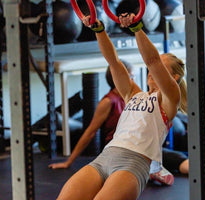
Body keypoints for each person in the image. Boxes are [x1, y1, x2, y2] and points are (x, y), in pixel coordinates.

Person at [56, 12, 185, 200]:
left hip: (133, 164)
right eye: (150, 70)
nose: (151, 71)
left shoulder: (169, 99)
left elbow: (152, 60)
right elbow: (114, 62)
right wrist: (98, 29)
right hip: (105, 157)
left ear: (173, 78)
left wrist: (136, 28)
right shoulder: (133, 94)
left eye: (160, 69)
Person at [48, 62, 134, 169]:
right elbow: (90, 132)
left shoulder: (130, 98)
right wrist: (68, 162)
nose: (133, 80)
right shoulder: (107, 102)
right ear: (119, 78)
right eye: (131, 77)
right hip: (117, 154)